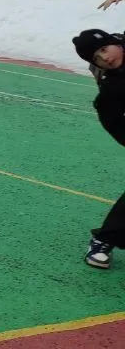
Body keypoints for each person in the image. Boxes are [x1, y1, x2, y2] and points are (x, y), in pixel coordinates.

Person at [71, 27, 124, 270]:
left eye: (105, 49)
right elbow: (112, 120)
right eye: (97, 58)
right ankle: (103, 240)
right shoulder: (112, 87)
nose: (106, 58)